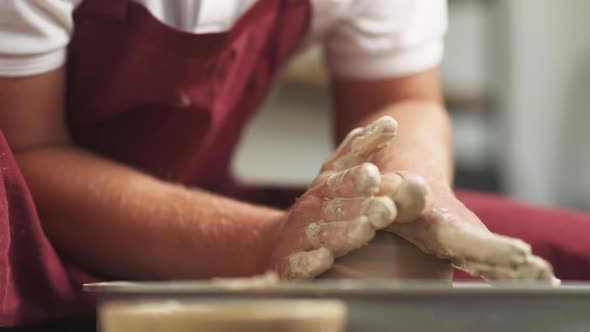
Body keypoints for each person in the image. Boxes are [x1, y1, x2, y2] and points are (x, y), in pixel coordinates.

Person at [1, 0, 589, 328]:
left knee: (572, 247)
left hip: (194, 193)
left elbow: (400, 98)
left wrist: (418, 186)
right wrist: (269, 243)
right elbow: (33, 157)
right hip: (25, 212)